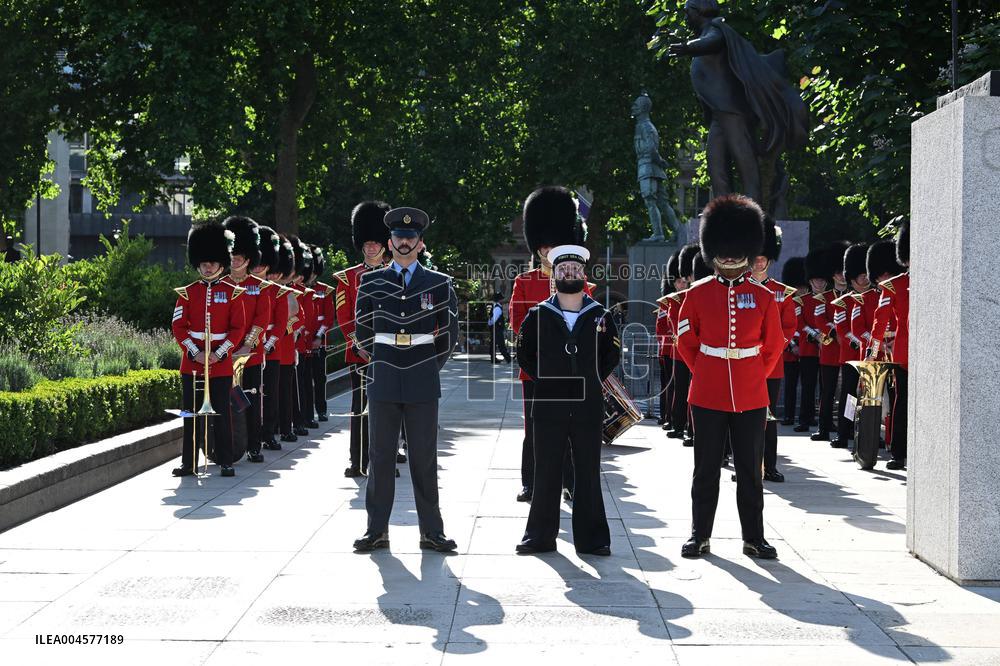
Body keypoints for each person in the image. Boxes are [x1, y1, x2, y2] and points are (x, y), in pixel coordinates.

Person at [676, 195, 784, 560]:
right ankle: (699, 535)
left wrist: (752, 374)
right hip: (707, 393)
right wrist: (707, 370)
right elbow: (686, 341)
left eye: (737, 251)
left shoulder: (763, 297)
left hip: (751, 394)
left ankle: (754, 537)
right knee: (705, 469)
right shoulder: (697, 294)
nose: (730, 258)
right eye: (724, 251)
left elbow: (773, 345)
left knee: (751, 472)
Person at [352, 206, 459, 553]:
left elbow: (449, 335)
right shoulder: (371, 281)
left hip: (421, 377)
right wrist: (381, 360)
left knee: (424, 458)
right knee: (380, 456)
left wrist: (428, 365)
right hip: (384, 375)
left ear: (420, 243)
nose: (404, 242)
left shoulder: (439, 283)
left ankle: (431, 531)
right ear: (390, 242)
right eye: (398, 237)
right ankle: (376, 530)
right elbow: (362, 330)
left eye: (410, 238)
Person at [515, 244, 621, 555]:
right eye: (563, 269)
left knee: (587, 471)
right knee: (546, 470)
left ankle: (593, 539)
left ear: (583, 274)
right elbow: (524, 354)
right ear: (555, 275)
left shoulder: (600, 315)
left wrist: (590, 378)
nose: (569, 272)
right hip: (550, 402)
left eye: (575, 268)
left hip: (588, 403)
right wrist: (547, 379)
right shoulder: (538, 314)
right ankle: (539, 537)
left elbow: (611, 355)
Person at [508, 186, 590, 503]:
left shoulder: (578, 280)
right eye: (543, 247)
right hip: (536, 367)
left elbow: (589, 320)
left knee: (569, 427)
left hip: (569, 367)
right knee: (533, 427)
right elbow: (517, 322)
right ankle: (530, 482)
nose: (547, 251)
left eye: (552, 245)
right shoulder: (524, 282)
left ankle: (569, 481)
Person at [171, 222, 247, 478]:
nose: (208, 267)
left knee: (223, 415)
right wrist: (195, 352)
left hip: (220, 363)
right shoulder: (187, 293)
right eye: (204, 263)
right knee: (190, 415)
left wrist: (219, 353)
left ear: (221, 264)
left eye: (212, 262)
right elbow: (178, 326)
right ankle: (189, 463)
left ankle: (226, 461)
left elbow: (237, 329)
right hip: (192, 363)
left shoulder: (233, 293)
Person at [335, 201, 392, 477]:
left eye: (375, 242)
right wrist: (361, 346)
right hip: (359, 354)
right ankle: (357, 460)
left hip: (389, 353)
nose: (370, 247)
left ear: (384, 244)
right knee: (359, 408)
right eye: (367, 243)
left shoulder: (396, 274)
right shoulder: (348, 278)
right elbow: (344, 317)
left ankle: (384, 461)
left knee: (388, 410)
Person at [750, 216, 798, 482]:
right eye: (755, 258)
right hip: (745, 362)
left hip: (771, 363)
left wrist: (770, 347)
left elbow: (789, 326)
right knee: (746, 417)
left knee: (769, 416)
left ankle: (769, 466)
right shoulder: (741, 290)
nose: (759, 262)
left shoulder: (782, 292)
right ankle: (747, 466)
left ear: (769, 260)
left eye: (763, 258)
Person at [223, 215, 274, 464]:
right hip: (223, 354)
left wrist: (247, 345)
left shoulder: (259, 287)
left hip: (250, 354)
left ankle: (254, 446)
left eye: (239, 257)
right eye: (232, 256)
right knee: (226, 401)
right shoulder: (221, 285)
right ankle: (227, 446)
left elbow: (262, 319)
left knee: (252, 400)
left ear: (248, 258)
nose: (235, 260)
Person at [867, 230, 908, 470]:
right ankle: (898, 452)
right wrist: (873, 352)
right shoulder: (894, 285)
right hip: (904, 354)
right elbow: (879, 321)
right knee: (901, 403)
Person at [829, 243, 872, 449]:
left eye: (866, 274)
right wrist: (859, 341)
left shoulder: (876, 298)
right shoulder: (843, 302)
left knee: (871, 397)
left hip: (872, 354)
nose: (864, 278)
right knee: (849, 395)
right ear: (852, 277)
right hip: (850, 354)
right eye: (860, 275)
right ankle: (844, 432)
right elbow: (842, 328)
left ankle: (870, 432)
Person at [811, 242, 850, 442]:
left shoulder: (855, 297)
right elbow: (819, 319)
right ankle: (823, 428)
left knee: (850, 393)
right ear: (832, 275)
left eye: (843, 272)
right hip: (830, 349)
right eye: (837, 273)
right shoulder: (823, 298)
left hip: (849, 349)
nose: (841, 276)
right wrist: (835, 331)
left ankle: (847, 428)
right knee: (827, 391)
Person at [665, 243, 702, 447]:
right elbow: (675, 322)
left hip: (702, 351)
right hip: (682, 351)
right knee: (681, 389)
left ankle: (693, 429)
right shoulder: (678, 298)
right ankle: (679, 424)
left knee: (696, 392)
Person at [258, 227, 290, 453]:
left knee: (270, 394)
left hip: (271, 348)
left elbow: (281, 322)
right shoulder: (241, 287)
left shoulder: (276, 291)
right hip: (247, 348)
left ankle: (268, 434)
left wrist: (268, 344)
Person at [655, 250, 683, 428]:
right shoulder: (667, 303)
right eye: (678, 281)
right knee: (668, 385)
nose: (681, 284)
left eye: (683, 281)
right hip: (668, 349)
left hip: (681, 350)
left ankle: (677, 419)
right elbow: (661, 329)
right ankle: (666, 415)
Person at [779, 257, 807, 425]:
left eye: (803, 287)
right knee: (790, 385)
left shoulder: (809, 302)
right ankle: (788, 415)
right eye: (799, 286)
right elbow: (782, 326)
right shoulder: (785, 300)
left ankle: (805, 416)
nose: (801, 290)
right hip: (790, 350)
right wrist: (792, 346)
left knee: (807, 386)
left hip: (806, 349)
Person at [309, 246, 334, 422]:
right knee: (303, 381)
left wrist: (318, 336)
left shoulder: (324, 290)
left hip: (319, 341)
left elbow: (329, 318)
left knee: (319, 378)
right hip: (301, 342)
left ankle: (322, 410)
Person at [487, 292, 511, 363]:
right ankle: (508, 359)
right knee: (501, 344)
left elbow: (491, 319)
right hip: (497, 329)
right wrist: (491, 324)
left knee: (493, 344)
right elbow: (494, 319)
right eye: (501, 299)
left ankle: (493, 359)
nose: (503, 300)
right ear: (499, 300)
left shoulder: (495, 307)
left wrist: (490, 324)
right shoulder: (498, 308)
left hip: (495, 328)